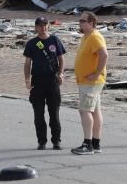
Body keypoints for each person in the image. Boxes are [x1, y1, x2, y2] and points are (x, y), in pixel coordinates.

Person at [22, 16, 66, 150]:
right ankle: (41, 141)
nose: (43, 27)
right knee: (39, 114)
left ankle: (56, 141)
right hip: (38, 81)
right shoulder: (31, 43)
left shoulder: (54, 40)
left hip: (52, 80)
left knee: (54, 113)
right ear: (36, 27)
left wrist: (61, 73)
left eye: (45, 25)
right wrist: (27, 79)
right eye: (40, 25)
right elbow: (27, 63)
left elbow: (61, 58)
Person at [71, 11, 107, 155]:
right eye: (80, 21)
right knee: (95, 110)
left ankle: (88, 144)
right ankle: (96, 142)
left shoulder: (94, 37)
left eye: (83, 21)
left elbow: (104, 55)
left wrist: (97, 74)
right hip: (88, 81)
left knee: (85, 110)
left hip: (91, 81)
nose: (80, 23)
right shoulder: (86, 37)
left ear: (91, 23)